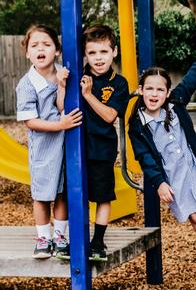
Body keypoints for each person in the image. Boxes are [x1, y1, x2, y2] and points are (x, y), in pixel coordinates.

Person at [128, 43, 196, 277]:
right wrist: (159, 183)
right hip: (172, 177)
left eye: (159, 90)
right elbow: (145, 157)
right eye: (149, 89)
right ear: (140, 90)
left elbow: (191, 80)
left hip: (193, 167)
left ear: (167, 93)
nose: (154, 94)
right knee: (194, 215)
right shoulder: (137, 124)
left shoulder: (175, 105)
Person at [16, 25, 83, 259]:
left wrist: (62, 86)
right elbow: (30, 121)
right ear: (27, 53)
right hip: (44, 149)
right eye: (34, 45)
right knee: (42, 194)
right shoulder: (27, 84)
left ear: (56, 50)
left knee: (62, 192)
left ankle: (60, 236)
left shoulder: (62, 74)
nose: (40, 48)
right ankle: (43, 238)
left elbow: (61, 107)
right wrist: (60, 125)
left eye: (46, 44)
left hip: (64, 146)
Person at [80, 24, 130, 261]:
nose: (98, 58)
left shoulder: (119, 83)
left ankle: (98, 241)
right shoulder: (78, 77)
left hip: (102, 148)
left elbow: (111, 115)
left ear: (114, 52)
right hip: (76, 148)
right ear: (85, 55)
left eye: (103, 52)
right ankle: (73, 239)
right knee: (74, 193)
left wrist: (88, 96)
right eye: (92, 53)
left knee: (102, 196)